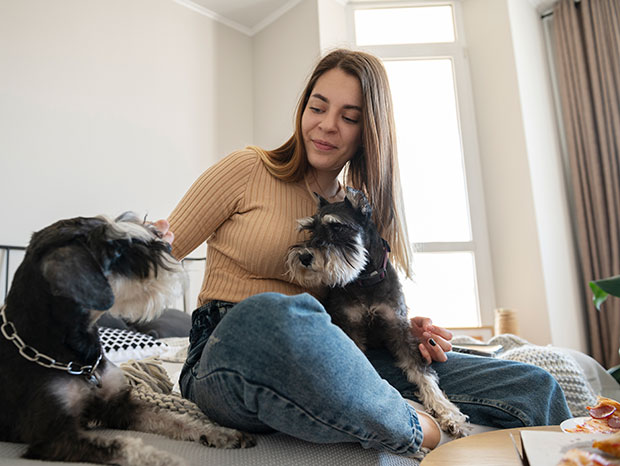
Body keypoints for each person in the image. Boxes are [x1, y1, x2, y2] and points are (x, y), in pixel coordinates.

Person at [152, 48, 572, 455]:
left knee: (533, 385)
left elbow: (363, 301)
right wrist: (129, 247)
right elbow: (157, 256)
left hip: (337, 353)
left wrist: (404, 325)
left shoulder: (357, 211)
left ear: (367, 131)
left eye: (348, 117)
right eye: (317, 108)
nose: (327, 125)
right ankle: (415, 429)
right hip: (230, 349)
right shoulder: (247, 168)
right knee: (277, 313)